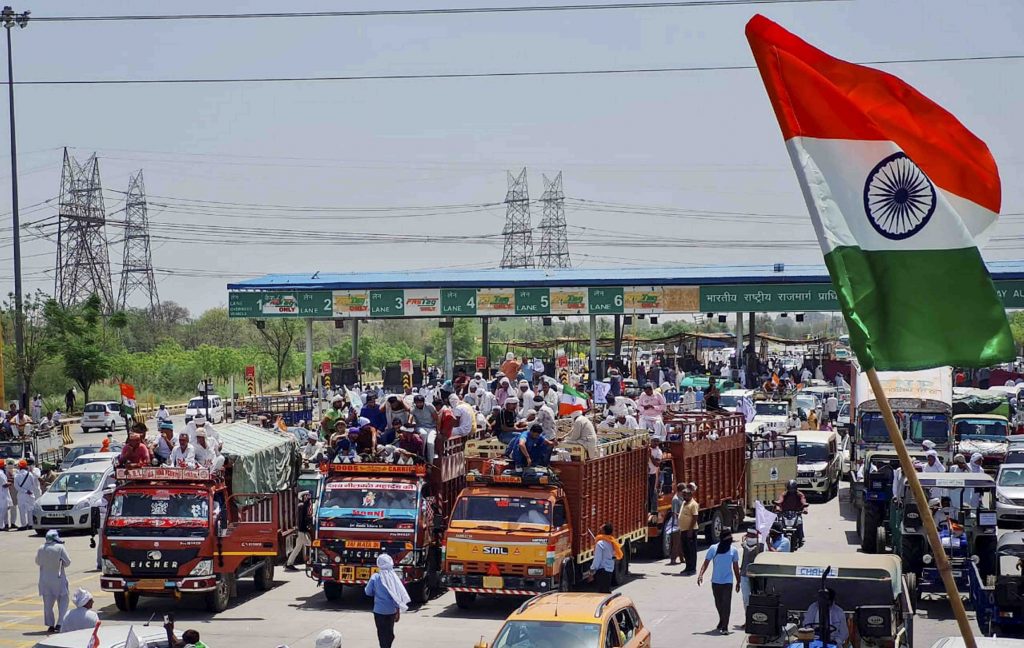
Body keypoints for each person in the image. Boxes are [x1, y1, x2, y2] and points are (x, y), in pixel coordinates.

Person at [697, 528, 741, 635]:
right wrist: (700, 575)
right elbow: (706, 563)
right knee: (718, 603)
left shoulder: (733, 551)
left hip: (728, 581)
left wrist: (738, 581)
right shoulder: (713, 548)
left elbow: (735, 567)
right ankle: (722, 620)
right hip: (716, 581)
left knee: (726, 604)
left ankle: (725, 626)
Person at [364, 553, 411, 648]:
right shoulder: (394, 577)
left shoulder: (375, 577)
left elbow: (368, 592)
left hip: (379, 611)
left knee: (381, 634)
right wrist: (397, 611)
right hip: (391, 611)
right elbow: (397, 596)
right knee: (389, 633)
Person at [37, 530, 71, 633]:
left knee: (47, 605)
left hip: (45, 581)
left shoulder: (41, 548)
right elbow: (68, 562)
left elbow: (38, 562)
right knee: (63, 601)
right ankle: (60, 623)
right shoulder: (60, 548)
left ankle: (50, 625)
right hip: (59, 580)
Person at [285, 491, 314, 571]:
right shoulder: (302, 506)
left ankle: (289, 563)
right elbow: (302, 519)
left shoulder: (303, 506)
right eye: (306, 496)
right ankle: (309, 562)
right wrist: (305, 528)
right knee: (309, 545)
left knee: (299, 547)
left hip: (302, 530)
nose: (308, 498)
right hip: (301, 530)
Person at [739, 529, 764, 615]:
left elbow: (751, 550)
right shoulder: (745, 544)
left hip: (755, 576)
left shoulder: (760, 546)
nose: (748, 537)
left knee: (756, 598)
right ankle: (747, 618)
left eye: (750, 535)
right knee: (746, 599)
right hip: (744, 575)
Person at [593, 523, 622, 593]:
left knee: (602, 592)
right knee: (606, 590)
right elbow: (614, 554)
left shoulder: (600, 543)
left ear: (604, 531)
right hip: (609, 569)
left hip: (602, 570)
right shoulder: (612, 542)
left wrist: (592, 569)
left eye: (601, 528)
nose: (599, 528)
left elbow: (597, 559)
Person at [678, 488, 699, 574]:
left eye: (685, 495)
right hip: (683, 530)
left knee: (691, 550)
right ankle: (688, 567)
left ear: (690, 495)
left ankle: (692, 568)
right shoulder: (684, 503)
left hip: (691, 530)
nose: (684, 496)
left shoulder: (693, 504)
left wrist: (690, 530)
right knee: (685, 550)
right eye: (683, 495)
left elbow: (695, 517)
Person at [15, 458, 40, 529]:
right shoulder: (30, 475)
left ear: (19, 466)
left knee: (22, 510)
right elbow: (34, 485)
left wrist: (25, 491)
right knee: (30, 509)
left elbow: (16, 487)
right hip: (30, 494)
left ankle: (24, 525)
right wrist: (29, 491)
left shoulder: (17, 475)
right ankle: (30, 524)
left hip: (21, 495)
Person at [667, 484, 688, 566]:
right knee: (676, 542)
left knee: (681, 541)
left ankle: (682, 558)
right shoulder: (675, 499)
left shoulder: (681, 498)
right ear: (681, 490)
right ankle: (673, 559)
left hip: (682, 523)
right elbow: (674, 513)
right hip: (676, 523)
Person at [647, 439, 663, 515]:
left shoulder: (659, 452)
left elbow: (656, 464)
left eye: (657, 441)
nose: (656, 443)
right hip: (643, 473)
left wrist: (650, 456)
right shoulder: (646, 448)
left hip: (651, 475)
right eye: (654, 441)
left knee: (650, 492)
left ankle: (649, 510)